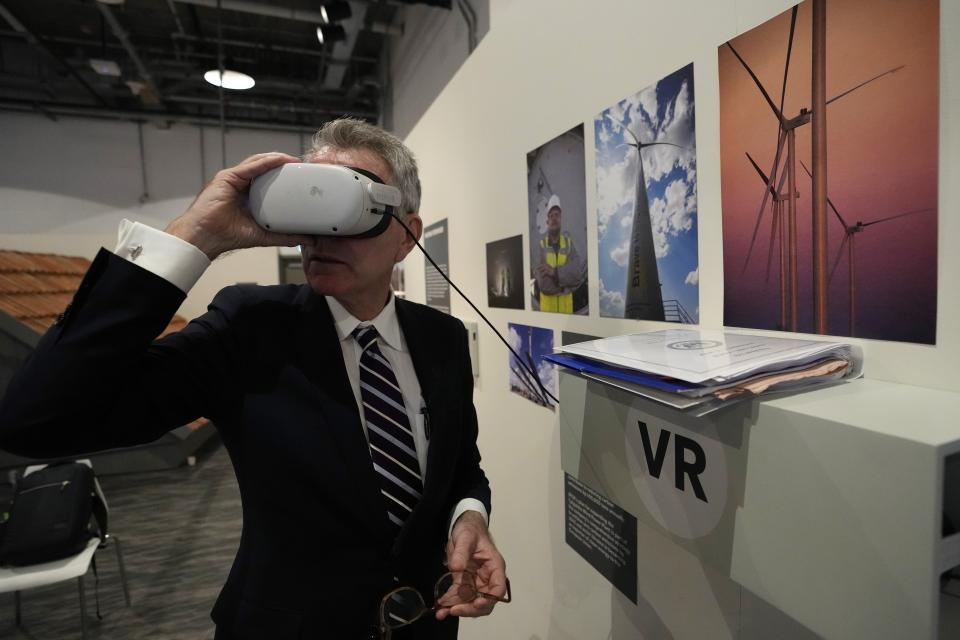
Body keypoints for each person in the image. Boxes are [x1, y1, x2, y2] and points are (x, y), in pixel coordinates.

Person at [0, 118, 507, 639]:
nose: (322, 233)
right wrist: (196, 235)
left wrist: (468, 517)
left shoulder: (442, 339)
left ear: (407, 236)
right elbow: (35, 422)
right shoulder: (250, 328)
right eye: (312, 206)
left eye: (350, 208)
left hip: (426, 623)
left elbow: (462, 465)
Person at [534, 194, 587, 313]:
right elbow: (544, 285)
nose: (554, 218)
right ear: (547, 221)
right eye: (551, 215)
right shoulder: (541, 246)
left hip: (566, 314)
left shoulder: (569, 244)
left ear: (561, 218)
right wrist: (567, 286)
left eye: (557, 215)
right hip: (548, 315)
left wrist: (554, 272)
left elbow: (577, 275)